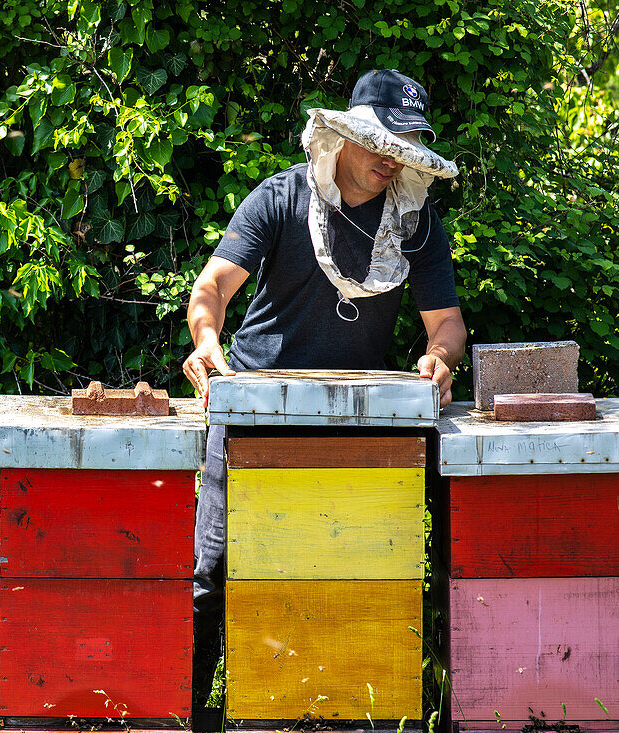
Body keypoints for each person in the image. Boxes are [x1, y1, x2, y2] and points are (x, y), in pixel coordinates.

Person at [180, 69, 468, 706]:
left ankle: (320, 709)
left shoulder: (415, 223)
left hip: (356, 422)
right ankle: (192, 712)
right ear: (345, 134)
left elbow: (446, 324)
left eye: (406, 148)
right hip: (254, 411)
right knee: (215, 573)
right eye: (382, 144)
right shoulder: (281, 198)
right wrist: (207, 341)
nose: (393, 162)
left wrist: (439, 360)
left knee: (347, 580)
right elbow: (212, 289)